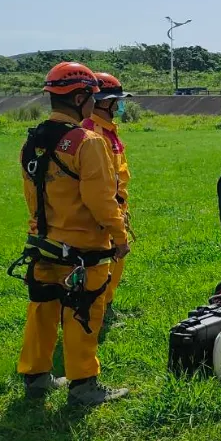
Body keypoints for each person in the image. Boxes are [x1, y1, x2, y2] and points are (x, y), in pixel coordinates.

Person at [13, 62, 130, 405]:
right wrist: (119, 237)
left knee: (42, 308)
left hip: (42, 244)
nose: (95, 103)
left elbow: (31, 194)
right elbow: (102, 199)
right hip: (83, 248)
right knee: (83, 312)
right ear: (80, 98)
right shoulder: (87, 142)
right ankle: (84, 385)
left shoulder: (31, 142)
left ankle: (35, 375)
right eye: (92, 96)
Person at [82, 72, 132, 323]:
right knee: (102, 264)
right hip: (103, 211)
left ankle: (106, 307)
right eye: (117, 101)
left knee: (115, 263)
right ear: (104, 102)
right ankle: (96, 312)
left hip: (117, 207)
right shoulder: (91, 133)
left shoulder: (110, 131)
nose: (120, 105)